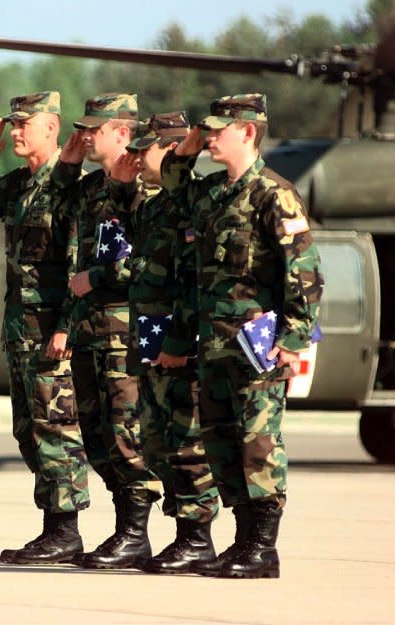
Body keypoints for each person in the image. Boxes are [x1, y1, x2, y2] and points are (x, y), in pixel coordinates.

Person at [161, 94, 324, 578]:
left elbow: (305, 272)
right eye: (206, 129)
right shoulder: (211, 193)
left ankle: (262, 547)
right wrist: (188, 148)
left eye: (217, 130)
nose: (209, 136)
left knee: (258, 445)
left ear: (248, 132)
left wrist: (294, 338)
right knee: (221, 443)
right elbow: (172, 183)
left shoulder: (275, 195)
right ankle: (241, 542)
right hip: (214, 344)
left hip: (257, 346)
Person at [0, 91, 89, 565]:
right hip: (21, 329)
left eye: (24, 124)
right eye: (12, 124)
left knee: (57, 430)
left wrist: (66, 327)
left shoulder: (72, 187)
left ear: (51, 128)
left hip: (52, 331)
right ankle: (54, 528)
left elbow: (80, 262)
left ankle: (64, 531)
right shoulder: (17, 186)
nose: (14, 132)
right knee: (28, 431)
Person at [51, 93, 162, 569]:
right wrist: (66, 164)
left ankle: (135, 533)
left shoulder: (147, 187)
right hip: (92, 331)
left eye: (94, 129)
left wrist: (97, 279)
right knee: (96, 436)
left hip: (127, 332)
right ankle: (126, 532)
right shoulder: (92, 187)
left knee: (126, 433)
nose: (87, 135)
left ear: (123, 131)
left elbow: (153, 260)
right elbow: (50, 209)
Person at [110, 112, 220, 574]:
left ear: (174, 152)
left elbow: (194, 280)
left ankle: (197, 538)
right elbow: (126, 250)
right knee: (156, 441)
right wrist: (118, 187)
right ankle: (182, 536)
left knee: (188, 438)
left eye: (146, 150)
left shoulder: (194, 205)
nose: (136, 159)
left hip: (180, 337)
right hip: (150, 335)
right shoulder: (153, 206)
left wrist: (178, 339)